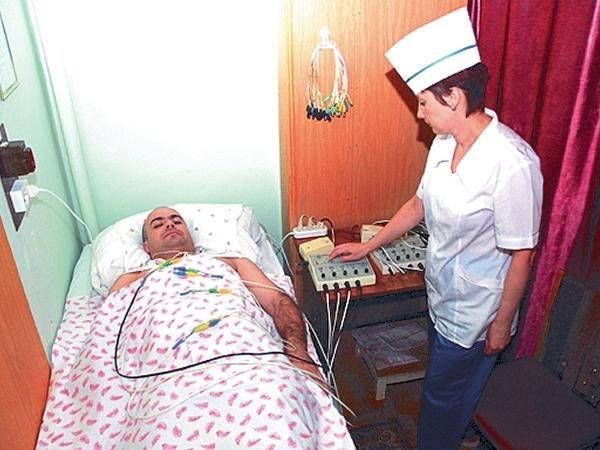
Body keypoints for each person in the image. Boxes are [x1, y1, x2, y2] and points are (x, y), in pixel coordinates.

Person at [329, 8, 543, 450]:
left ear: (454, 98)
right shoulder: (445, 144)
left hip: (478, 311)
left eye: (424, 102)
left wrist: (502, 324)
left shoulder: (513, 164)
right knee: (450, 389)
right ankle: (457, 434)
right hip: (442, 292)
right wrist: (368, 246)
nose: (420, 113)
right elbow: (418, 205)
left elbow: (523, 253)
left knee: (441, 397)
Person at [110, 206, 324, 384]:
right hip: (165, 361)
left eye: (177, 221)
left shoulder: (232, 262)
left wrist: (298, 350)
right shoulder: (133, 278)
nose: (170, 225)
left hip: (241, 348)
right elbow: (108, 329)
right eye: (158, 224)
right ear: (146, 247)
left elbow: (278, 301)